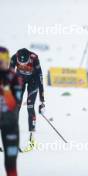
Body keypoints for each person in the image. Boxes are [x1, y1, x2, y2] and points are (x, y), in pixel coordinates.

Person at [9, 48, 45, 144]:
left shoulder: (34, 59)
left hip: (33, 81)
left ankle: (32, 134)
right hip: (20, 80)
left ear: (29, 59)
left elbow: (40, 79)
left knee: (30, 106)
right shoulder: (14, 58)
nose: (23, 65)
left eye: (25, 64)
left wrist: (42, 101)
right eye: (21, 64)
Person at [0, 46, 22, 176]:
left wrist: (6, 89)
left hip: (10, 124)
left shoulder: (14, 77)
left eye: (3, 59)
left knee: (10, 162)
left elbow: (14, 104)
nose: (1, 62)